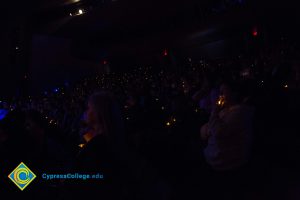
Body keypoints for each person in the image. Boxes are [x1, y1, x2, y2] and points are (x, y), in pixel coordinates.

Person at [201, 80, 255, 171]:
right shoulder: (225, 110)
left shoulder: (240, 112)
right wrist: (212, 128)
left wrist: (214, 113)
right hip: (215, 156)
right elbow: (203, 132)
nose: (220, 96)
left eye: (223, 92)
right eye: (220, 92)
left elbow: (218, 132)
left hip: (227, 162)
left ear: (234, 94)